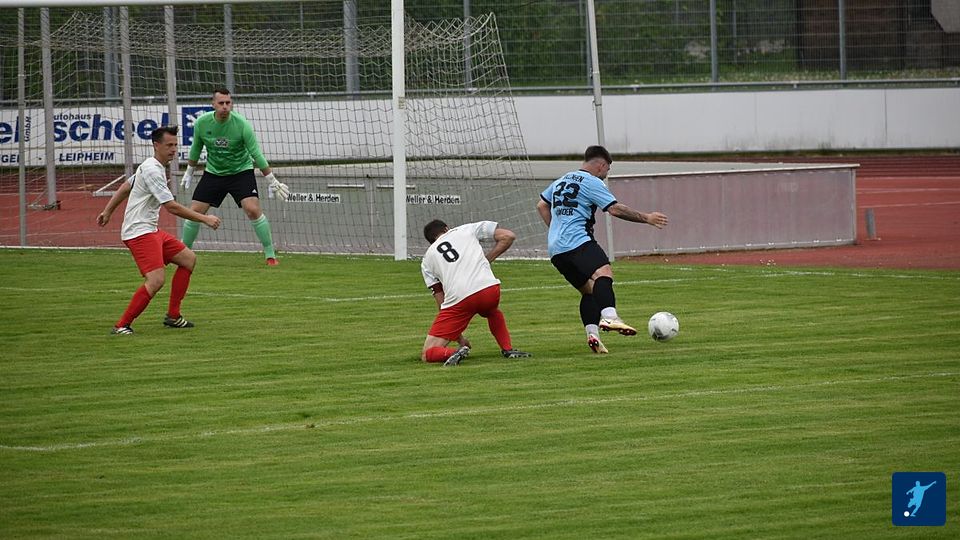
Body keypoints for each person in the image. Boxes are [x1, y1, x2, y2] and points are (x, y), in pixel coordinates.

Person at [536, 145, 669, 354]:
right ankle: (610, 317)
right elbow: (614, 209)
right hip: (577, 241)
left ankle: (593, 335)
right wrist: (647, 218)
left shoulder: (562, 180)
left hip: (556, 249)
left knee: (589, 291)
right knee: (604, 273)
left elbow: (541, 205)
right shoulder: (591, 182)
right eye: (607, 169)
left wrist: (556, 229)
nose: (606, 174)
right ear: (601, 165)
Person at [97, 126, 222, 334]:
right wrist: (205, 218)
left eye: (175, 145)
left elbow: (126, 186)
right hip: (139, 232)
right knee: (156, 280)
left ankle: (173, 316)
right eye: (169, 145)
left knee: (188, 259)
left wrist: (108, 211)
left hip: (150, 229)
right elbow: (171, 207)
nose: (173, 149)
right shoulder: (153, 170)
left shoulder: (150, 165)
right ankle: (121, 325)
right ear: (156, 145)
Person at [179, 87, 289, 265]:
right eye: (221, 103)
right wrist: (189, 171)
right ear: (213, 104)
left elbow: (256, 154)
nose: (225, 106)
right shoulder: (202, 123)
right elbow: (196, 148)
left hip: (241, 172)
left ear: (232, 104)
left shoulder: (242, 124)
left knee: (252, 209)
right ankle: (183, 253)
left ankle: (270, 255)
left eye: (228, 103)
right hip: (214, 173)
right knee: (194, 212)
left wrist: (272, 180)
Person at [420, 219, 531, 366]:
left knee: (427, 353)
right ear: (447, 228)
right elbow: (508, 236)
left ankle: (453, 352)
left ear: (431, 242)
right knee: (492, 311)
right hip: (489, 289)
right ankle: (508, 349)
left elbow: (441, 300)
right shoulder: (466, 229)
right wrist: (486, 260)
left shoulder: (427, 260)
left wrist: (459, 338)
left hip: (460, 298)